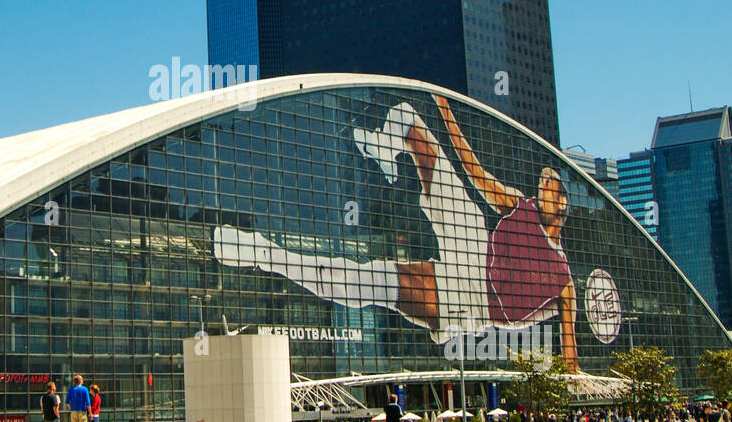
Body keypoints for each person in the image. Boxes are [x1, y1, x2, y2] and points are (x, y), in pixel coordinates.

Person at [214, 95, 583, 373]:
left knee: (369, 279)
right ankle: (386, 145)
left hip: (475, 297)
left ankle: (264, 254)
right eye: (540, 185)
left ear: (562, 204)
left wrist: (571, 371)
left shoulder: (563, 278)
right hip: (476, 238)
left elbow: (569, 351)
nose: (539, 191)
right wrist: (446, 111)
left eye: (547, 188)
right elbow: (473, 171)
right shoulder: (522, 206)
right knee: (407, 114)